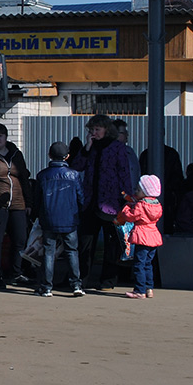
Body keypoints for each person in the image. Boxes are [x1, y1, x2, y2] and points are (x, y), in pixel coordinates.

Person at [70, 114, 131, 290]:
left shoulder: (117, 148)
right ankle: (82, 279)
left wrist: (126, 199)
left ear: (106, 130)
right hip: (91, 202)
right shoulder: (90, 148)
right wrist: (87, 148)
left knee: (112, 244)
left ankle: (108, 281)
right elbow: (76, 166)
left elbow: (124, 173)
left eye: (97, 129)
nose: (94, 133)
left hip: (111, 202)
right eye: (91, 130)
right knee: (85, 243)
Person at [34, 141, 85, 297]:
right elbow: (81, 198)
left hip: (49, 219)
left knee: (49, 252)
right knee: (72, 251)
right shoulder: (74, 175)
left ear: (49, 155)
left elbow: (37, 199)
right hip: (69, 219)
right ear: (67, 156)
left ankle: (47, 287)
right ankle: (76, 285)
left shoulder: (42, 175)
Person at [0, 123, 32, 289]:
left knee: (19, 239)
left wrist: (28, 201)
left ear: (6, 137)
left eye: (0, 136)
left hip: (18, 202)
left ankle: (15, 272)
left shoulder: (15, 153)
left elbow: (24, 177)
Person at [117, 175, 164, 299]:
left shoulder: (141, 205)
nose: (135, 192)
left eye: (138, 190)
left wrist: (126, 207)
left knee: (139, 264)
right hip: (153, 236)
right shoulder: (157, 205)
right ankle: (149, 288)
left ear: (145, 192)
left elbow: (130, 217)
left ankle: (139, 290)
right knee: (148, 264)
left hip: (142, 236)